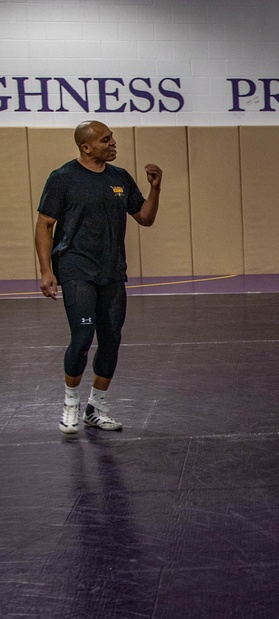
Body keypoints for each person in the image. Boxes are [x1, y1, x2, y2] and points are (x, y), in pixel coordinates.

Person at [34, 120, 162, 434]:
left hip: (112, 271)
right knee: (81, 339)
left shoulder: (120, 177)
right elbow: (45, 225)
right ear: (86, 147)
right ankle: (70, 404)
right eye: (106, 140)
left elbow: (145, 217)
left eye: (112, 138)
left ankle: (97, 407)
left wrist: (155, 188)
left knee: (111, 340)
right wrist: (46, 271)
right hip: (76, 269)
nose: (113, 143)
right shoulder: (63, 178)